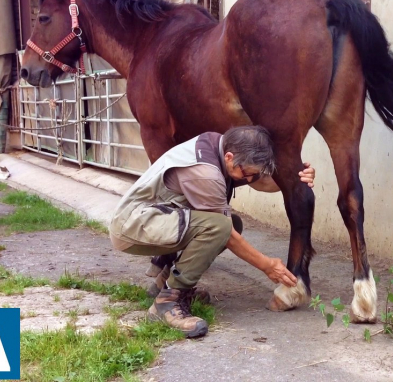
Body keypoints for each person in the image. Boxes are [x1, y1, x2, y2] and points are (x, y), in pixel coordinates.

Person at [109, 126, 315, 338]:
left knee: (228, 225)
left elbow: (261, 183)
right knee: (221, 228)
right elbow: (226, 234)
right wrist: (268, 266)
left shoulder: (220, 145)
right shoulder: (206, 173)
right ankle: (167, 302)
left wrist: (297, 178)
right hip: (133, 226)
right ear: (229, 157)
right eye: (248, 175)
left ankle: (165, 282)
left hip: (154, 218)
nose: (250, 180)